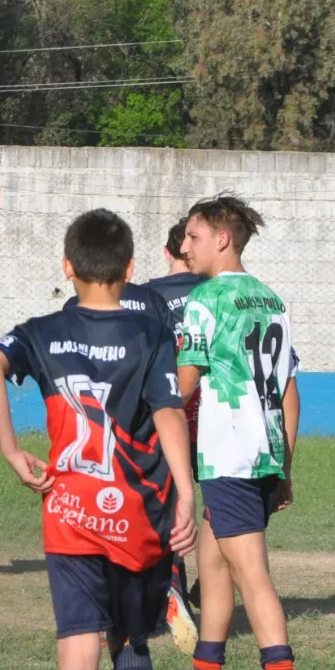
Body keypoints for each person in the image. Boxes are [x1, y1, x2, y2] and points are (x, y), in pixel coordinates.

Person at [0, 209, 196, 670]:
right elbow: (169, 411)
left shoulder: (42, 331)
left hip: (69, 512)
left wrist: (11, 448)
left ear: (67, 267)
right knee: (132, 643)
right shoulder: (151, 331)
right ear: (131, 271)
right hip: (135, 514)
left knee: (77, 649)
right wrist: (185, 493)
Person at [158, 194, 311, 670]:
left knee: (251, 572)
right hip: (264, 452)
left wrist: (136, 411)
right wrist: (285, 468)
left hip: (230, 454)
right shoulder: (270, 300)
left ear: (222, 239)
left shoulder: (207, 301)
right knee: (213, 562)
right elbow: (289, 391)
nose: (185, 246)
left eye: (194, 237)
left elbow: (181, 386)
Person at [143, 217, 208, 637]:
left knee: (166, 503)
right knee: (220, 502)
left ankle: (173, 588)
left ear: (167, 252)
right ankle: (214, 575)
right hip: (215, 416)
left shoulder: (146, 297)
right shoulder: (216, 293)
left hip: (168, 415)